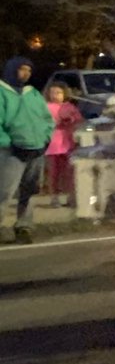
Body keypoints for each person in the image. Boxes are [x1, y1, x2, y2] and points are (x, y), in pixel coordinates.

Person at [0, 57, 54, 244]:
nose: (26, 74)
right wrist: (8, 143)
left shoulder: (33, 94)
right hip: (11, 152)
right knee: (4, 192)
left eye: (29, 70)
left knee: (29, 192)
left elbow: (47, 119)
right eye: (22, 69)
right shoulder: (2, 92)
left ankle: (24, 226)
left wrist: (45, 139)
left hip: (36, 149)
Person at [44, 82, 84, 208]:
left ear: (65, 94)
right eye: (52, 93)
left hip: (68, 144)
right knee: (53, 173)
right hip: (52, 145)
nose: (55, 95)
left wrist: (71, 120)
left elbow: (79, 121)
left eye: (59, 93)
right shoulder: (46, 107)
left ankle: (71, 197)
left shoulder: (70, 107)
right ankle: (54, 197)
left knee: (69, 172)